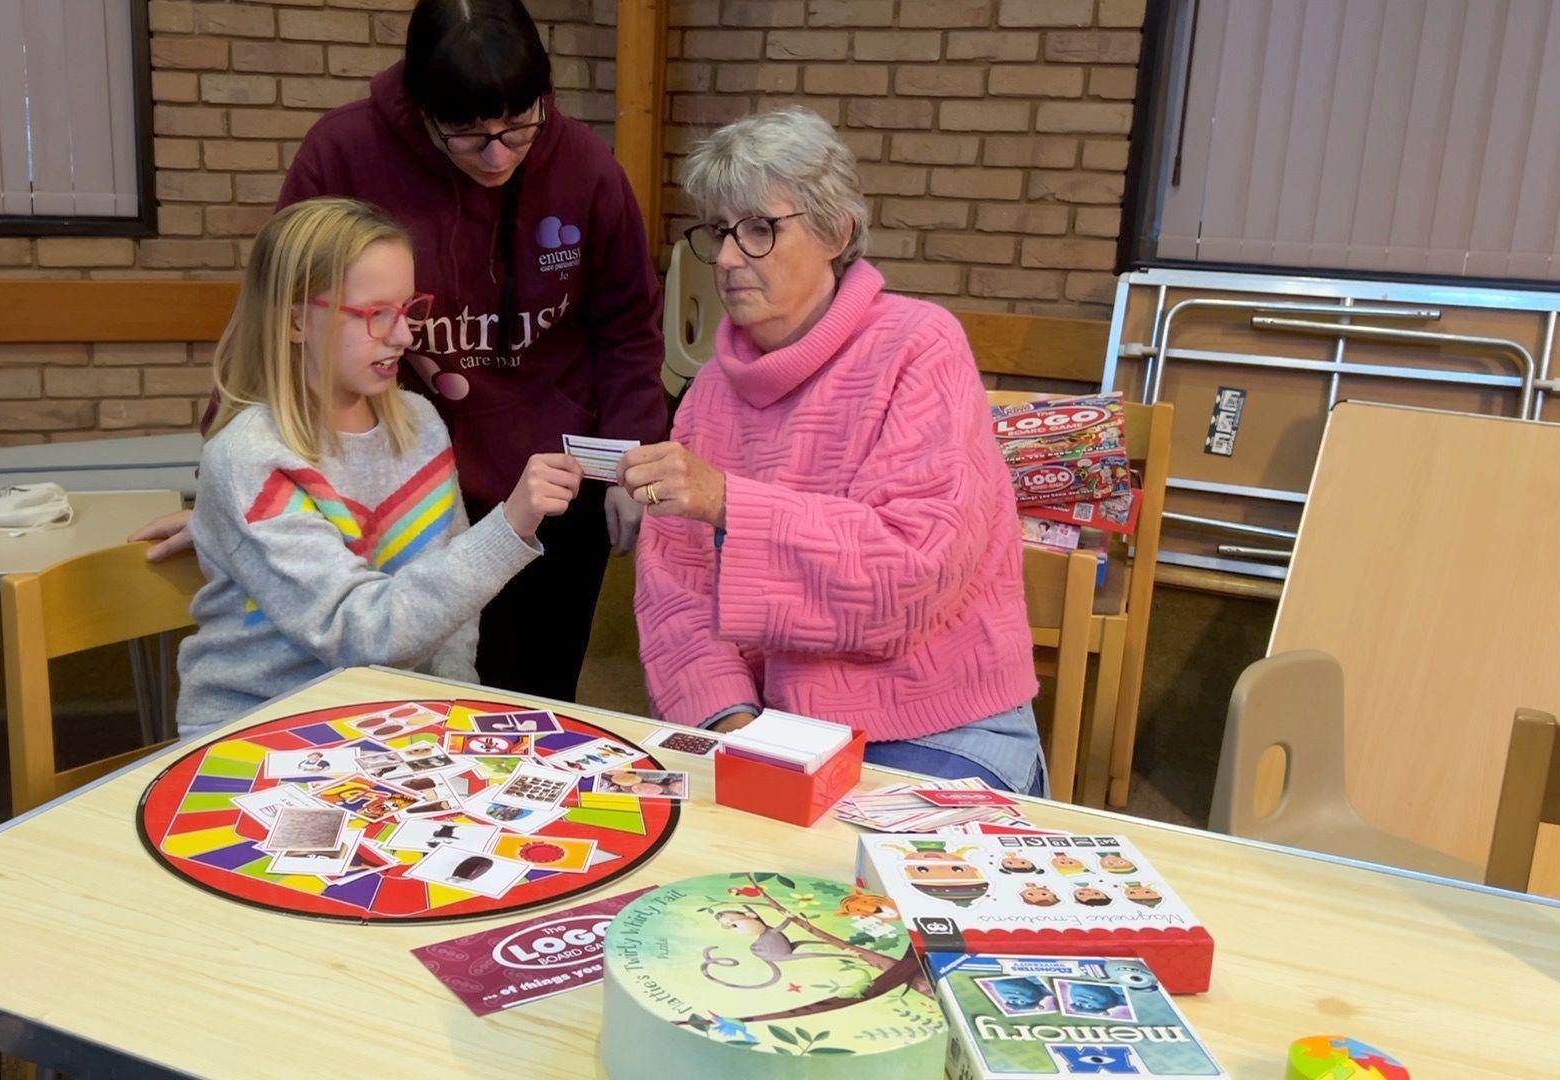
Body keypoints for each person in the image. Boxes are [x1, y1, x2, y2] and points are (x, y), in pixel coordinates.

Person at [136, 0, 665, 704]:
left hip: (531, 489)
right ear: (422, 110)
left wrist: (629, 456)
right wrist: (227, 501)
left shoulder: (589, 169)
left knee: (524, 699)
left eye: (519, 127)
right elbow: (276, 307)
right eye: (470, 135)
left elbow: (630, 325)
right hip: (384, 493)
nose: (500, 154)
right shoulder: (344, 151)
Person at [623, 108, 1046, 795]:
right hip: (768, 730)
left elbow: (910, 574)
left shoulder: (920, 347)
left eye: (760, 229)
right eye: (719, 232)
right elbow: (674, 592)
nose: (728, 258)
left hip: (931, 727)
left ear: (835, 231)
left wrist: (729, 501)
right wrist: (731, 724)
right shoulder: (706, 393)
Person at [174, 198, 581, 739]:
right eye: (375, 315)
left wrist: (454, 706)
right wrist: (508, 528)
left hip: (390, 726)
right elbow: (360, 633)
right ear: (297, 321)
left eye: (409, 308)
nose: (404, 336)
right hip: (261, 729)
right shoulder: (248, 456)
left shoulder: (418, 423)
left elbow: (453, 615)